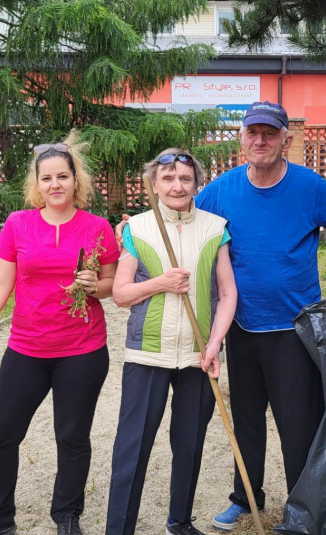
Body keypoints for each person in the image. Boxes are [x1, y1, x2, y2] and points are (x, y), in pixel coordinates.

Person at [116, 102, 326, 531]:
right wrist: (129, 229)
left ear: (286, 139)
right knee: (244, 421)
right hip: (241, 329)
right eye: (253, 132)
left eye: (270, 133)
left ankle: (303, 507)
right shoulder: (222, 190)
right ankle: (246, 498)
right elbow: (180, 213)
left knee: (297, 425)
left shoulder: (310, 187)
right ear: (242, 138)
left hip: (294, 331)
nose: (260, 140)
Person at [0, 131, 119, 535]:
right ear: (37, 184)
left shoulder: (97, 227)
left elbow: (111, 284)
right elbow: (2, 282)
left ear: (76, 181)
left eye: (63, 177)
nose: (55, 185)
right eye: (47, 178)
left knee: (72, 436)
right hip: (27, 347)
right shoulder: (18, 224)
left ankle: (67, 514)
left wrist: (93, 286)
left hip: (82, 349)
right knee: (2, 433)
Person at [105, 149, 238, 535]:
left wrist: (214, 344)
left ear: (196, 182)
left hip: (199, 355)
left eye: (185, 178)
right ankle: (119, 529)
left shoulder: (216, 227)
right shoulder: (138, 228)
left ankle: (179, 522)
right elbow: (121, 293)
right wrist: (160, 283)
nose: (177, 186)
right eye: (168, 178)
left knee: (190, 442)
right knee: (132, 447)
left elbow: (227, 294)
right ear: (154, 184)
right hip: (147, 353)